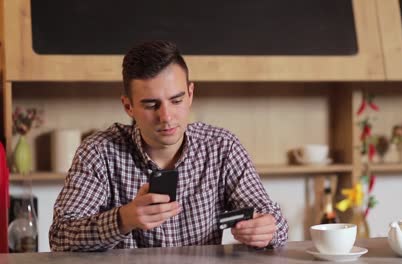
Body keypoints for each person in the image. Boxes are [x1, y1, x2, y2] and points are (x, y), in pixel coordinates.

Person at [49, 41, 288, 251]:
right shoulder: (99, 152)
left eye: (176, 100)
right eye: (151, 105)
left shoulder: (221, 147)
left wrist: (266, 230)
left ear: (191, 94)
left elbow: (274, 222)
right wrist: (124, 219)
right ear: (128, 106)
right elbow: (60, 236)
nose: (166, 116)